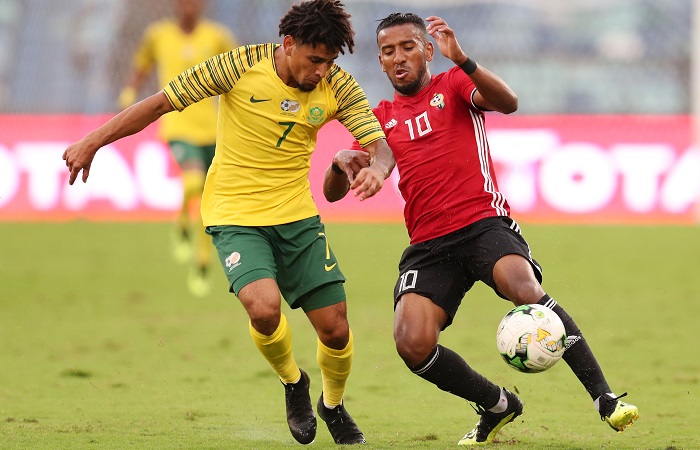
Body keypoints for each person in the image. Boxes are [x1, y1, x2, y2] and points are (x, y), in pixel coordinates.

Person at [63, 0, 395, 445]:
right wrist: (94, 140)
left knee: (335, 328)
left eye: (329, 62)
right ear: (289, 43)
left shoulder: (337, 85)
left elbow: (378, 142)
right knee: (263, 307)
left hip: (297, 216)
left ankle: (332, 406)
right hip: (235, 215)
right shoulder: (239, 65)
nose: (321, 71)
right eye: (315, 60)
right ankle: (293, 382)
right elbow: (161, 102)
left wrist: (379, 168)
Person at [324, 13, 639, 446]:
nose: (398, 57)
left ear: (428, 51)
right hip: (429, 245)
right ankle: (497, 405)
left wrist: (466, 60)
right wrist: (338, 162)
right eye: (388, 51)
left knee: (524, 288)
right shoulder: (380, 118)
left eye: (408, 47)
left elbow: (508, 102)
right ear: (379, 61)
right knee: (410, 343)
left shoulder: (454, 84)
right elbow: (335, 192)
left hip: (482, 223)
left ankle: (604, 398)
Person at [118, 0, 238, 297]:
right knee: (194, 182)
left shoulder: (218, 35)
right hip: (177, 126)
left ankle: (202, 261)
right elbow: (142, 63)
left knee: (209, 199)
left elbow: (238, 72)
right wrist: (131, 89)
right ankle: (182, 218)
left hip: (213, 129)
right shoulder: (158, 34)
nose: (189, 6)